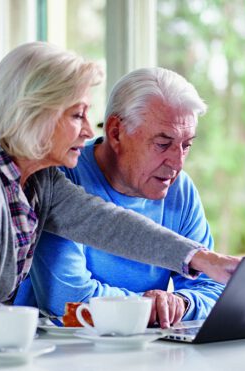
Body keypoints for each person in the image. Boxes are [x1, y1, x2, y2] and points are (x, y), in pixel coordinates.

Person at [0, 42, 240, 338]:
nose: (91, 131)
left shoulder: (37, 179)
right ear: (34, 113)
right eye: (77, 115)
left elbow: (108, 224)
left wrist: (200, 258)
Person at [15, 67, 224, 328]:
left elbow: (212, 288)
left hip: (144, 352)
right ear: (115, 132)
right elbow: (67, 301)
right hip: (61, 353)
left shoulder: (179, 189)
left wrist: (181, 303)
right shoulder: (60, 178)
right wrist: (150, 308)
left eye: (187, 145)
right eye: (162, 144)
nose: (177, 162)